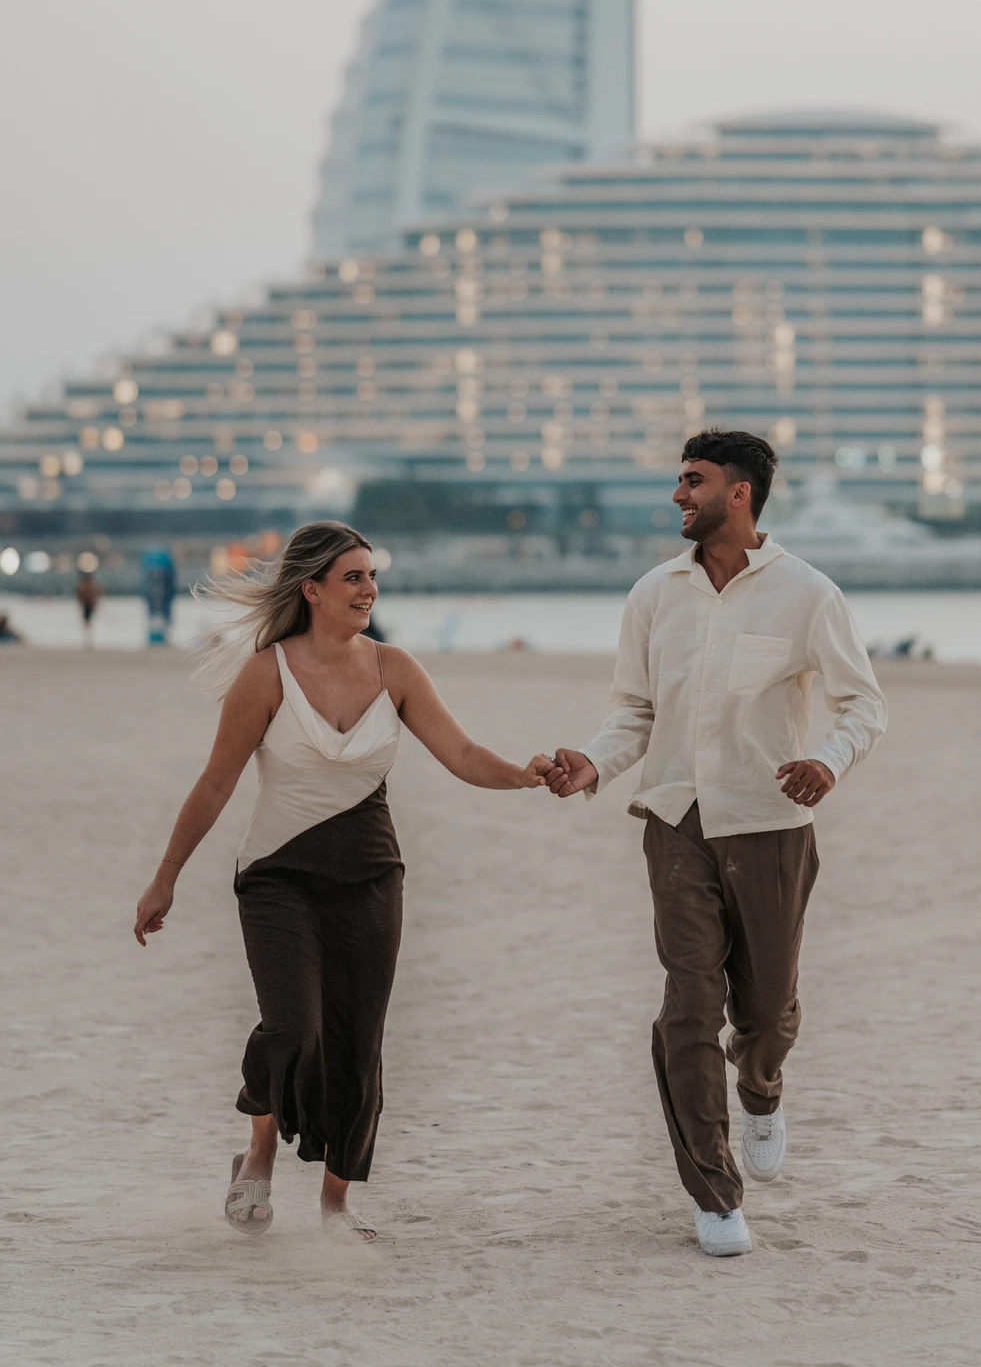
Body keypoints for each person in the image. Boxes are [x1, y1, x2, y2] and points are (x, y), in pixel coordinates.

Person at [133, 520, 553, 1241]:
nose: (368, 589)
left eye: (371, 575)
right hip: (277, 874)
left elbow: (459, 751)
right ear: (313, 590)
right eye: (353, 577)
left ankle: (335, 1206)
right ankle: (258, 1150)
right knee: (295, 1026)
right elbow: (214, 784)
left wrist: (521, 775)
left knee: (358, 1042)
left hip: (368, 875)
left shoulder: (395, 668)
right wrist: (165, 876)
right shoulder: (266, 673)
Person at [546, 430, 886, 1259]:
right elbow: (633, 710)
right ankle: (713, 1190)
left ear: (738, 492)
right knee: (688, 1006)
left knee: (764, 1012)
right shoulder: (653, 595)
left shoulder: (808, 593)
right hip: (674, 824)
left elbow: (862, 706)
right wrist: (593, 763)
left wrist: (827, 763)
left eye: (691, 482)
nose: (676, 496)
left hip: (770, 826)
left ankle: (761, 1086)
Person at [75, 565, 101, 644]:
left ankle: (88, 638)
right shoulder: (84, 586)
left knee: (87, 622)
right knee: (87, 622)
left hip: (89, 604)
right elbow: (80, 595)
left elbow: (96, 594)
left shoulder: (88, 586)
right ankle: (88, 638)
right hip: (87, 604)